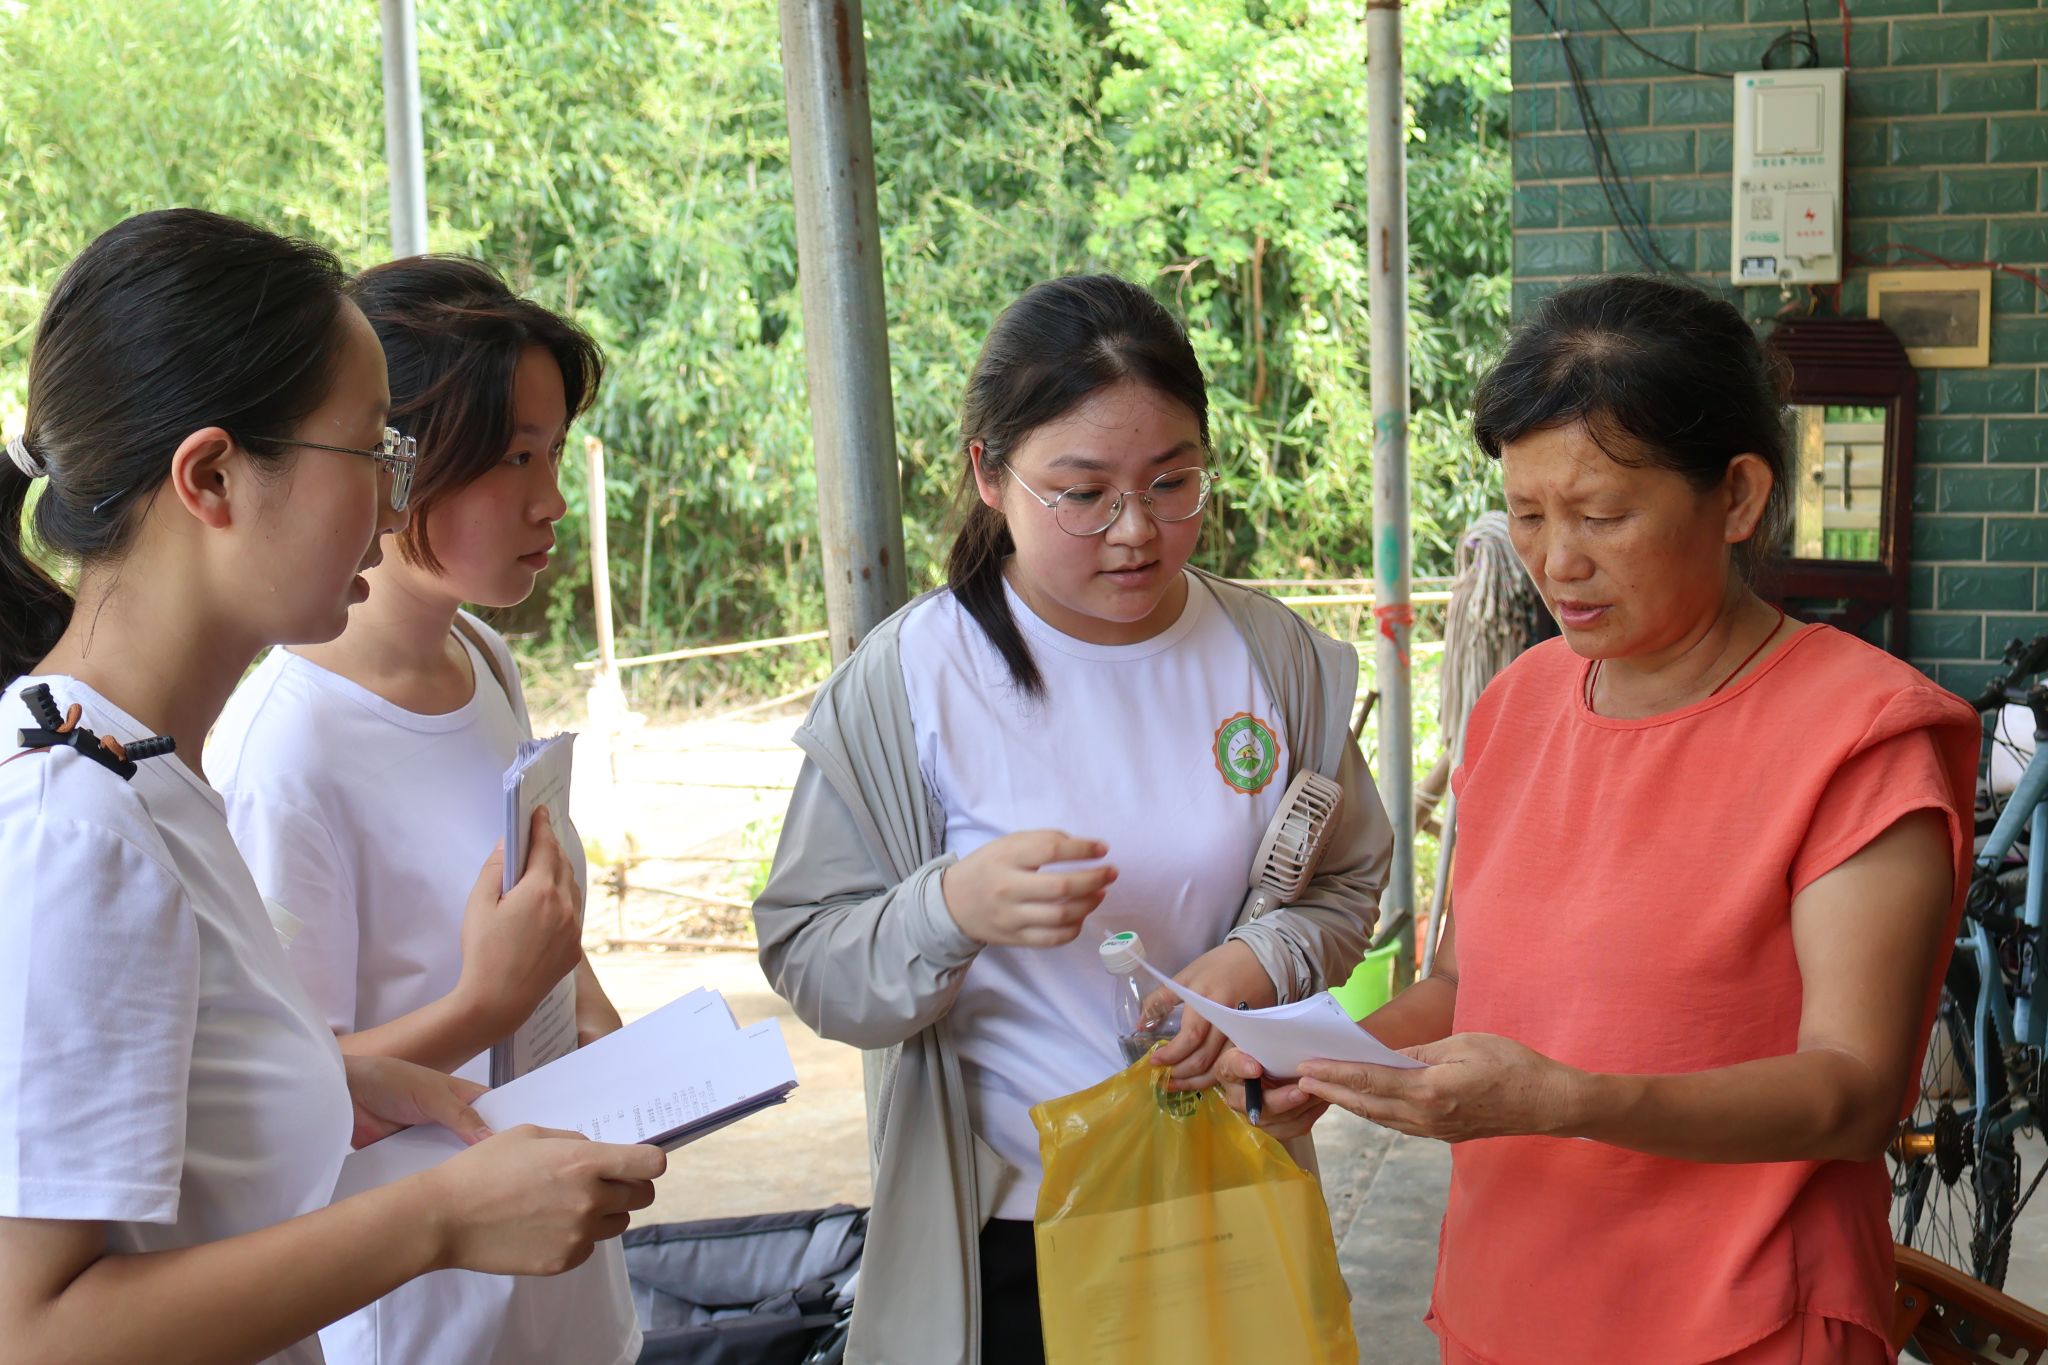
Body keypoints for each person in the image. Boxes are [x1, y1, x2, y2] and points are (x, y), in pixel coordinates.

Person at [1220, 274, 1979, 1364]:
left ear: (1738, 497)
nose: (1554, 561)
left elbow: (1851, 1094)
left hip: (1740, 1317)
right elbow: (1458, 989)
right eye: (1525, 514)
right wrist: (1322, 1065)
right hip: (1510, 1298)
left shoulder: (1856, 737)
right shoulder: (1518, 705)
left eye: (1601, 516)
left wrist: (1565, 1099)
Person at [0, 208, 663, 1365]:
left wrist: (343, 1079)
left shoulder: (139, 769)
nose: (392, 505)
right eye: (374, 456)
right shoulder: (78, 823)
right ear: (211, 478)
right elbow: (35, 1328)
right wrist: (439, 1217)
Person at [753, 274, 1392, 1365]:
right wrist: (949, 908)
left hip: (1224, 1197)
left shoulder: (1269, 659)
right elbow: (810, 955)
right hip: (1012, 1231)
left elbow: (1341, 883)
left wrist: (1251, 967)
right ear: (988, 475)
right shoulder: (910, 680)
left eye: (1172, 482)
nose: (1135, 531)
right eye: (1082, 492)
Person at [211, 255, 638, 1365]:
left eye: (550, 454)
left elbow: (538, 929)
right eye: (512, 459)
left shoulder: (478, 654)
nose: (548, 500)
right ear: (393, 462)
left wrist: (628, 1057)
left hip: (558, 1286)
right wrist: (482, 999)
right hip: (418, 1320)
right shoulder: (289, 745)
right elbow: (291, 1096)